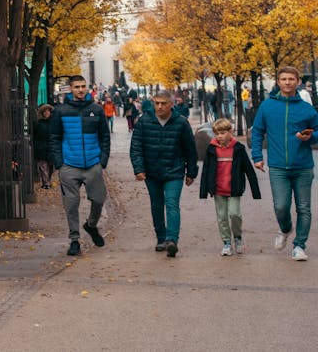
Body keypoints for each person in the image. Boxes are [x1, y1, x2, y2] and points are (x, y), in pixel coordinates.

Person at [250, 66, 318, 261]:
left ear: (298, 82)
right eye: (283, 79)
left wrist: (310, 137)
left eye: (291, 79)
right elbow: (257, 132)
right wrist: (257, 156)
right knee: (281, 206)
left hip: (303, 166)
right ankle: (286, 229)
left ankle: (299, 246)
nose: (287, 82)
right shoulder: (267, 106)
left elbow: (317, 131)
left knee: (304, 207)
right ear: (278, 82)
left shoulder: (307, 109)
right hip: (278, 167)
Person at [130, 90, 199, 257]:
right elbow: (136, 147)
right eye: (157, 103)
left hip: (174, 170)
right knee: (156, 204)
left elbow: (190, 149)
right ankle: (161, 237)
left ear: (171, 104)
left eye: (163, 103)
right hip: (151, 171)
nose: (159, 107)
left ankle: (171, 239)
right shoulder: (144, 121)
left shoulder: (181, 123)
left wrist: (191, 172)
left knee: (172, 203)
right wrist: (138, 169)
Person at [50, 75, 110, 256]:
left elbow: (104, 136)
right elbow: (54, 138)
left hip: (93, 163)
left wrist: (103, 160)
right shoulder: (60, 111)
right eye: (77, 87)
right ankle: (74, 239)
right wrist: (59, 163)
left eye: (83, 86)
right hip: (69, 165)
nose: (81, 90)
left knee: (99, 199)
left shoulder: (96, 109)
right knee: (71, 204)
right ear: (71, 88)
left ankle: (91, 225)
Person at [199, 118, 261, 256]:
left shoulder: (238, 149)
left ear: (230, 132)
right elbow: (206, 171)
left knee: (234, 214)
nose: (219, 136)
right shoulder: (211, 149)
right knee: (221, 216)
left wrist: (255, 191)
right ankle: (226, 242)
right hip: (218, 189)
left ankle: (238, 237)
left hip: (234, 188)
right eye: (217, 134)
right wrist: (203, 192)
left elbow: (248, 170)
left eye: (222, 133)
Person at [33, 104, 55, 189]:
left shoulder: (54, 123)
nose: (46, 113)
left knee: (50, 167)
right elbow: (34, 135)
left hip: (51, 148)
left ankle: (47, 181)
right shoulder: (38, 124)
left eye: (48, 111)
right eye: (44, 111)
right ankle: (46, 183)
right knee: (43, 166)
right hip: (41, 148)